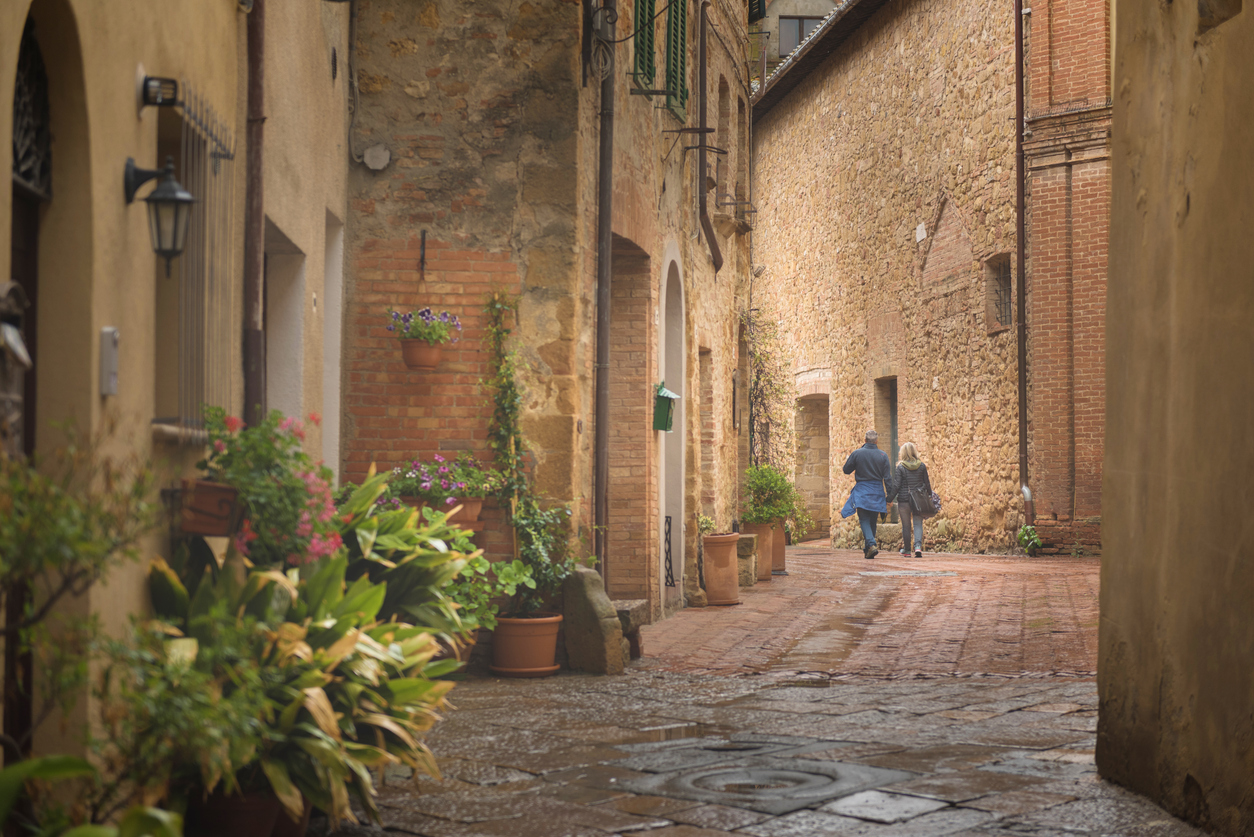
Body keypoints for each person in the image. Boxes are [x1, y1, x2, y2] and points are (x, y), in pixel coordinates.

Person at [841, 430, 892, 559]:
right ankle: (868, 549)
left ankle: (871, 543)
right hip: (877, 491)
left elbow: (846, 470)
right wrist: (890, 496)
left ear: (865, 440)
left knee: (864, 518)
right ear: (877, 441)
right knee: (873, 520)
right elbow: (888, 478)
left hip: (862, 490)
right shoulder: (883, 455)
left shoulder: (857, 453)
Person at [887, 441, 933, 558]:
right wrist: (929, 496)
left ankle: (907, 550)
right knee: (918, 524)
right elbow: (927, 483)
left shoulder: (901, 467)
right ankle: (918, 547)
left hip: (904, 500)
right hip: (918, 500)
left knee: (906, 526)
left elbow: (896, 486)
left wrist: (889, 498)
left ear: (903, 453)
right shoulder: (921, 466)